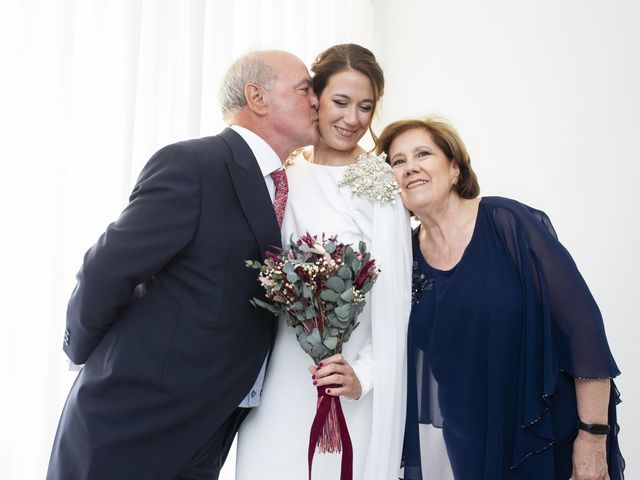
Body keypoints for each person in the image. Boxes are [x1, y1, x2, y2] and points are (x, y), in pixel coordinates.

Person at [46, 50, 319, 480]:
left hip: (208, 427)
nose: (318, 100)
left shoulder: (290, 187)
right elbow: (108, 267)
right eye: (305, 89)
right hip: (133, 420)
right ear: (257, 97)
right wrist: (83, 355)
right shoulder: (195, 164)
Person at [376, 117, 625, 480]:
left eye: (423, 154)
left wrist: (592, 438)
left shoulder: (508, 222)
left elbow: (583, 331)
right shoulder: (403, 257)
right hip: (471, 441)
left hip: (543, 426)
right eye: (397, 162)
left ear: (455, 168)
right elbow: (390, 346)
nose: (409, 167)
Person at [235, 44, 412, 480]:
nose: (352, 119)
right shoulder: (284, 174)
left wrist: (363, 376)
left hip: (343, 382)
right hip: (277, 379)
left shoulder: (378, 186)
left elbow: (395, 305)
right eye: (341, 102)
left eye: (365, 107)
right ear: (315, 97)